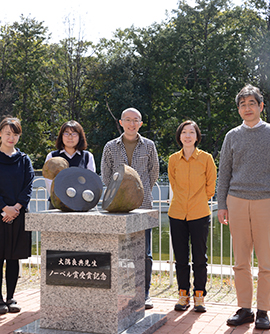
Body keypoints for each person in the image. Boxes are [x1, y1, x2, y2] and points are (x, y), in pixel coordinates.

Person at [217, 85, 270, 330]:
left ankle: (263, 310)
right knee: (240, 260)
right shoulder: (232, 136)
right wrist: (221, 205)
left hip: (266, 201)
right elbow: (224, 174)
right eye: (242, 104)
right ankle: (245, 308)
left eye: (251, 103)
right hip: (236, 201)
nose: (247, 108)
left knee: (265, 261)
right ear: (238, 109)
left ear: (261, 106)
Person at [101, 107, 159, 309]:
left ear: (141, 123)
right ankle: (120, 292)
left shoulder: (149, 146)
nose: (132, 123)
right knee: (119, 251)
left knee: (145, 253)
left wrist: (139, 195)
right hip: (117, 209)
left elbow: (153, 173)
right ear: (121, 122)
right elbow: (106, 175)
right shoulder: (110, 146)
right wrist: (119, 197)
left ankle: (144, 293)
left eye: (136, 120)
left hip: (143, 207)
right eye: (128, 120)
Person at [0, 117, 35, 315]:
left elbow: (28, 186)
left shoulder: (24, 159)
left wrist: (17, 207)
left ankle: (11, 297)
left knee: (13, 258)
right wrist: (5, 209)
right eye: (7, 133)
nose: (11, 137)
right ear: (0, 134)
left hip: (18, 214)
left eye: (15, 134)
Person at [168, 120, 216, 313]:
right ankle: (183, 294)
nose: (187, 136)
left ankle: (199, 296)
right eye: (184, 132)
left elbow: (210, 186)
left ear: (197, 137)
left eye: (191, 132)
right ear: (180, 136)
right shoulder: (173, 159)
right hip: (177, 213)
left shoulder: (206, 158)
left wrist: (197, 201)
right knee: (180, 257)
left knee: (199, 258)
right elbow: (173, 183)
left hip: (199, 214)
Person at [44, 120, 96, 203]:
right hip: (57, 203)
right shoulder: (52, 156)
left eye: (74, 134)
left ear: (80, 136)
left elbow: (91, 182)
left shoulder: (87, 156)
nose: (70, 137)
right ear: (61, 136)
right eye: (66, 133)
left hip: (81, 202)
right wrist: (59, 198)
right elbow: (49, 181)